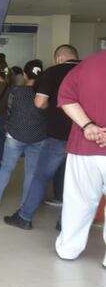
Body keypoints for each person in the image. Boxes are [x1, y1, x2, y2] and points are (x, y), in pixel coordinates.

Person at [5, 45, 81, 230]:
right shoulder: (87, 70)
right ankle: (66, 224)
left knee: (41, 176)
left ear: (59, 58)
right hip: (84, 134)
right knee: (77, 180)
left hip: (57, 134)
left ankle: (24, 217)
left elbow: (39, 102)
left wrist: (50, 108)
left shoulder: (53, 72)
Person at [54, 50, 106, 267]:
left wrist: (88, 126)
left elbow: (65, 98)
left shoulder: (88, 65)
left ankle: (69, 248)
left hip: (84, 147)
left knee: (79, 201)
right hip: (88, 146)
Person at [0, 60, 46, 209]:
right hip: (38, 135)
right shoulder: (45, 93)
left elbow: (10, 112)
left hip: (15, 134)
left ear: (24, 74)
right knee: (31, 172)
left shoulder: (16, 91)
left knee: (6, 167)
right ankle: (25, 205)